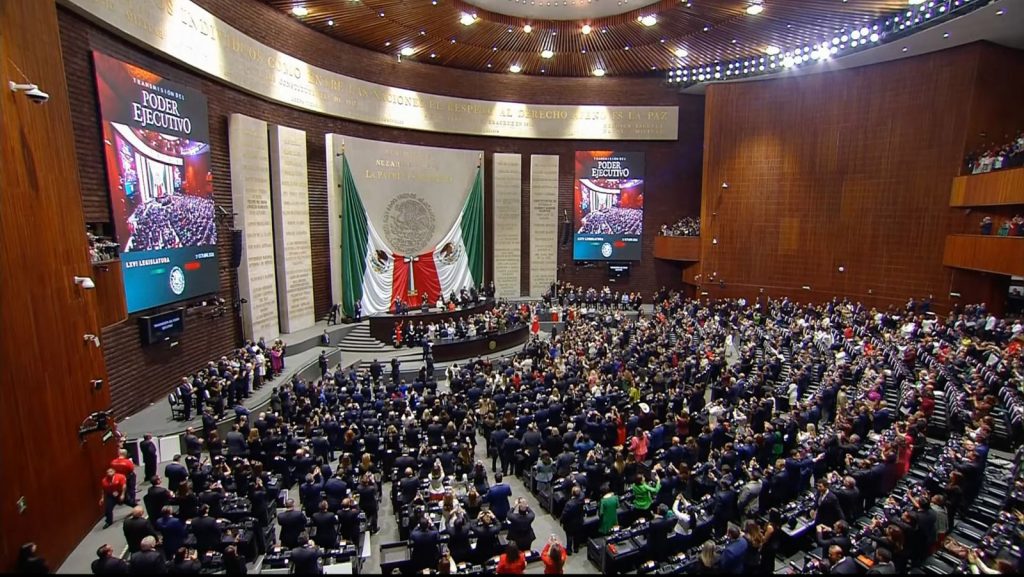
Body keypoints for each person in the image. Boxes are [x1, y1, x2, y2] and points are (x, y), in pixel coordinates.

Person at [559, 486, 585, 555]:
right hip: (579, 521)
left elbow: (565, 514)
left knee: (569, 536)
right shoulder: (582, 498)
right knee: (577, 535)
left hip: (570, 524)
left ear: (572, 493)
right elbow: (582, 493)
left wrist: (561, 520)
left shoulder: (569, 504)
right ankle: (576, 549)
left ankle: (569, 550)